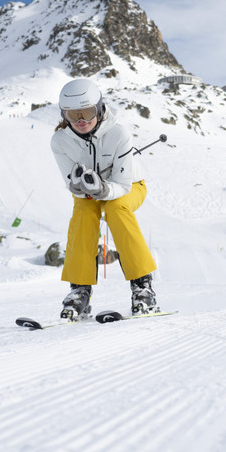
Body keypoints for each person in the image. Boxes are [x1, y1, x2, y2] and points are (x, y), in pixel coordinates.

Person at [51, 78, 158, 320]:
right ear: (63, 114)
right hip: (88, 193)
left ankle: (143, 287)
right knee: (82, 215)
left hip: (129, 186)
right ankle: (79, 291)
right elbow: (72, 184)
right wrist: (81, 187)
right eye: (72, 114)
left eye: (87, 112)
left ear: (99, 108)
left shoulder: (118, 134)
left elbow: (121, 185)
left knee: (116, 209)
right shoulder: (60, 141)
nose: (81, 121)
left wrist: (103, 190)